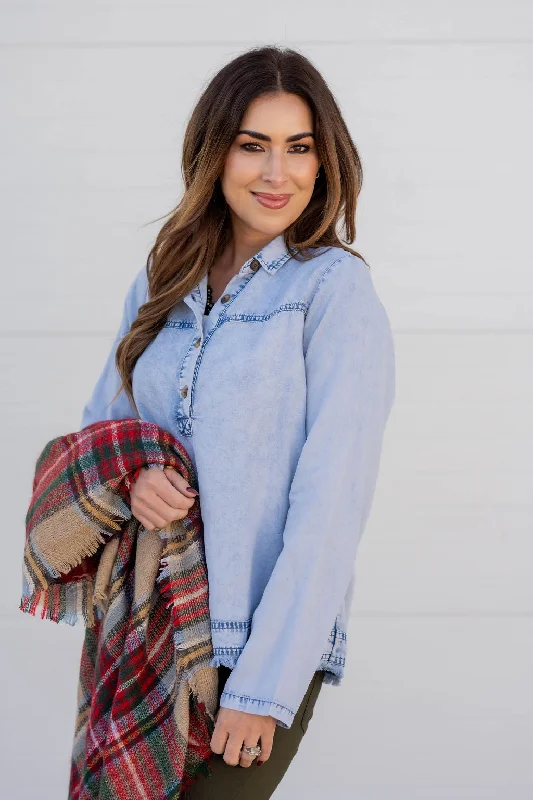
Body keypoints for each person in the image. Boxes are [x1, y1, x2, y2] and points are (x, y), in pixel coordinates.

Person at [80, 44, 396, 798]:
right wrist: (136, 474)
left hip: (252, 647)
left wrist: (263, 687)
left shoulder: (333, 292)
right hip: (142, 634)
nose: (275, 173)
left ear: (325, 163)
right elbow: (100, 430)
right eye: (252, 146)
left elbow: (330, 506)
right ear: (214, 155)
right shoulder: (164, 275)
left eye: (298, 148)